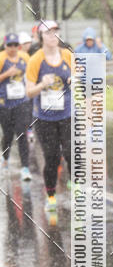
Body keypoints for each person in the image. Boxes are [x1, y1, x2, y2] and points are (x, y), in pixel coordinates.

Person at [26, 20, 73, 212]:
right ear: (40, 37)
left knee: (72, 152)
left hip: (67, 114)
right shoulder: (36, 60)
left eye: (55, 31)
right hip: (44, 118)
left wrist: (74, 80)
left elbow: (81, 79)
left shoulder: (68, 56)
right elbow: (29, 92)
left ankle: (76, 187)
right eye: (48, 32)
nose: (53, 35)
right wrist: (41, 85)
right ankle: (51, 195)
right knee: (52, 157)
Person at [0, 32, 32, 180]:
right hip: (5, 104)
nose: (13, 48)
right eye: (9, 45)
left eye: (15, 45)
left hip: (22, 103)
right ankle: (5, 158)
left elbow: (32, 75)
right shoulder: (1, 58)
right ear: (5, 46)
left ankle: (25, 167)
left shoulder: (25, 57)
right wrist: (7, 74)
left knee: (21, 134)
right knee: (8, 135)